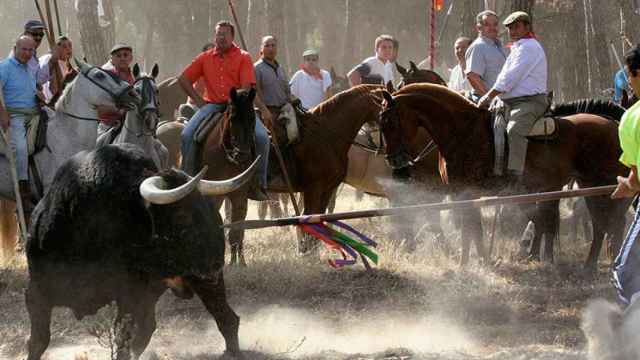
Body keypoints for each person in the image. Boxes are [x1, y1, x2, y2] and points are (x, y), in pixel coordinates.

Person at [178, 21, 271, 201]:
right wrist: (199, 101)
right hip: (211, 105)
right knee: (187, 135)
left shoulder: (243, 57)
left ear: (232, 37)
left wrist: (236, 101)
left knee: (262, 138)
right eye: (218, 34)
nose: (220, 37)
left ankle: (258, 183)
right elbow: (183, 79)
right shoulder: (205, 57)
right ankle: (186, 180)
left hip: (237, 107)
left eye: (224, 34)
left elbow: (245, 89)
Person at [477, 11, 548, 180]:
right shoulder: (518, 48)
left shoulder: (530, 47)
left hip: (530, 102)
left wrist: (488, 96)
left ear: (527, 27)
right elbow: (504, 78)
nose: (513, 31)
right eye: (510, 28)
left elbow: (509, 79)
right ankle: (497, 171)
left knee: (514, 130)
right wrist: (495, 97)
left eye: (516, 27)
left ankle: (515, 178)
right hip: (510, 102)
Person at [612, 44, 640, 310]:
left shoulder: (632, 118)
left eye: (629, 75)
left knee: (624, 274)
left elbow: (635, 181)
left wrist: (625, 186)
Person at [0, 36, 39, 212]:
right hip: (14, 116)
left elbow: (29, 90)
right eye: (24, 49)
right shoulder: (4, 67)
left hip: (35, 114)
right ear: (15, 47)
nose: (28, 53)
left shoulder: (29, 69)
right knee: (21, 148)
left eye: (31, 50)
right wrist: (3, 113)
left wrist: (39, 94)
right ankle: (23, 192)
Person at [465, 10, 508, 102]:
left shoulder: (499, 46)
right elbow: (472, 76)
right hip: (487, 106)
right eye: (487, 24)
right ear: (478, 28)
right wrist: (489, 99)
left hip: (502, 100)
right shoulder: (478, 47)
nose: (492, 27)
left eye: (495, 24)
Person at [97, 43, 135, 133]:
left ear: (131, 58)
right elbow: (99, 108)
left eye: (125, 55)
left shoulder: (136, 77)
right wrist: (119, 111)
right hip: (109, 126)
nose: (122, 58)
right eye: (118, 56)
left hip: (133, 126)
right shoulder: (106, 78)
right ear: (112, 60)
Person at [254, 35, 290, 123]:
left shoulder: (280, 68)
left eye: (273, 45)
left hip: (285, 111)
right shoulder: (256, 68)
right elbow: (254, 93)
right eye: (267, 46)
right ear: (261, 48)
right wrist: (264, 110)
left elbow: (287, 89)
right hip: (267, 113)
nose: (271, 49)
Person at [39, 36, 74, 104]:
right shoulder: (51, 60)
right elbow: (54, 89)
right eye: (64, 46)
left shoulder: (67, 64)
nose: (68, 49)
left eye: (70, 45)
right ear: (57, 49)